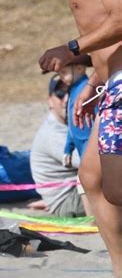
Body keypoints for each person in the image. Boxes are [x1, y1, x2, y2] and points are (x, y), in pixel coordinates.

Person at [39, 0, 122, 278]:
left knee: (115, 187)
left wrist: (71, 49)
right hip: (111, 86)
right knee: (91, 178)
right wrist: (92, 80)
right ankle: (121, 272)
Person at [30, 76, 86, 217]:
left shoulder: (67, 125)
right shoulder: (53, 133)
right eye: (60, 94)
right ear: (50, 101)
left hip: (66, 194)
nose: (67, 99)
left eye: (72, 92)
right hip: (67, 202)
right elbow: (87, 163)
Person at [58, 64, 93, 167]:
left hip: (90, 143)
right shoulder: (73, 91)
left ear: (80, 68)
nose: (61, 77)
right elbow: (73, 123)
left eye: (64, 72)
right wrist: (68, 149)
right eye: (59, 73)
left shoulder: (88, 90)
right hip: (80, 143)